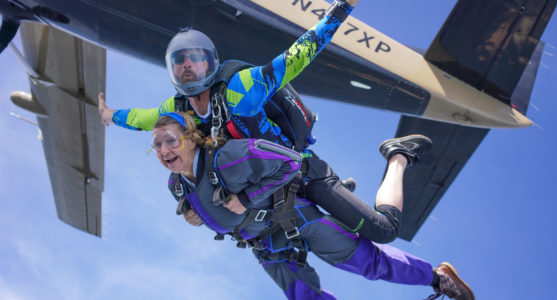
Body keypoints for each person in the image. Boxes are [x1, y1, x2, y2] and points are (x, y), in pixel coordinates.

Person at [98, 0, 409, 244]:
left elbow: (296, 57)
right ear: (172, 71)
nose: (187, 65)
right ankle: (343, 192)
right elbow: (140, 119)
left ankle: (399, 155)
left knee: (382, 231)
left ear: (210, 62)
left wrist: (342, 8)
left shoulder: (241, 87)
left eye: (194, 57)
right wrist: (110, 115)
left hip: (301, 174)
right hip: (265, 195)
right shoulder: (177, 109)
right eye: (179, 61)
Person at [150, 112, 474, 300]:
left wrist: (246, 200)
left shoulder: (229, 156)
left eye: (170, 139)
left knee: (373, 257)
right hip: (268, 248)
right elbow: (218, 211)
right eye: (157, 144)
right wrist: (198, 217)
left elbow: (291, 163)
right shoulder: (175, 186)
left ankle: (399, 158)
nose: (163, 149)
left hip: (298, 217)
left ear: (192, 138)